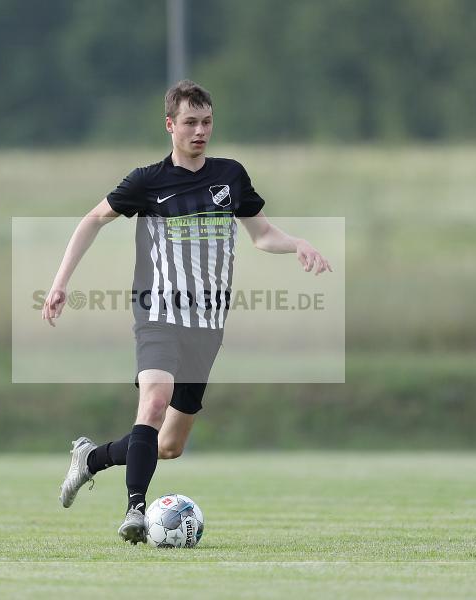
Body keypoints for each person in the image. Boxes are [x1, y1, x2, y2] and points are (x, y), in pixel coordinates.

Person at [42, 80, 331, 544]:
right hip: (157, 311)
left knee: (169, 445)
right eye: (191, 122)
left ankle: (90, 459)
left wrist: (297, 243)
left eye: (207, 122)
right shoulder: (147, 182)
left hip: (207, 324)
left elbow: (261, 235)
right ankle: (135, 511)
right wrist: (59, 284)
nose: (200, 131)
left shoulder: (230, 175)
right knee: (155, 398)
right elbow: (91, 220)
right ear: (170, 125)